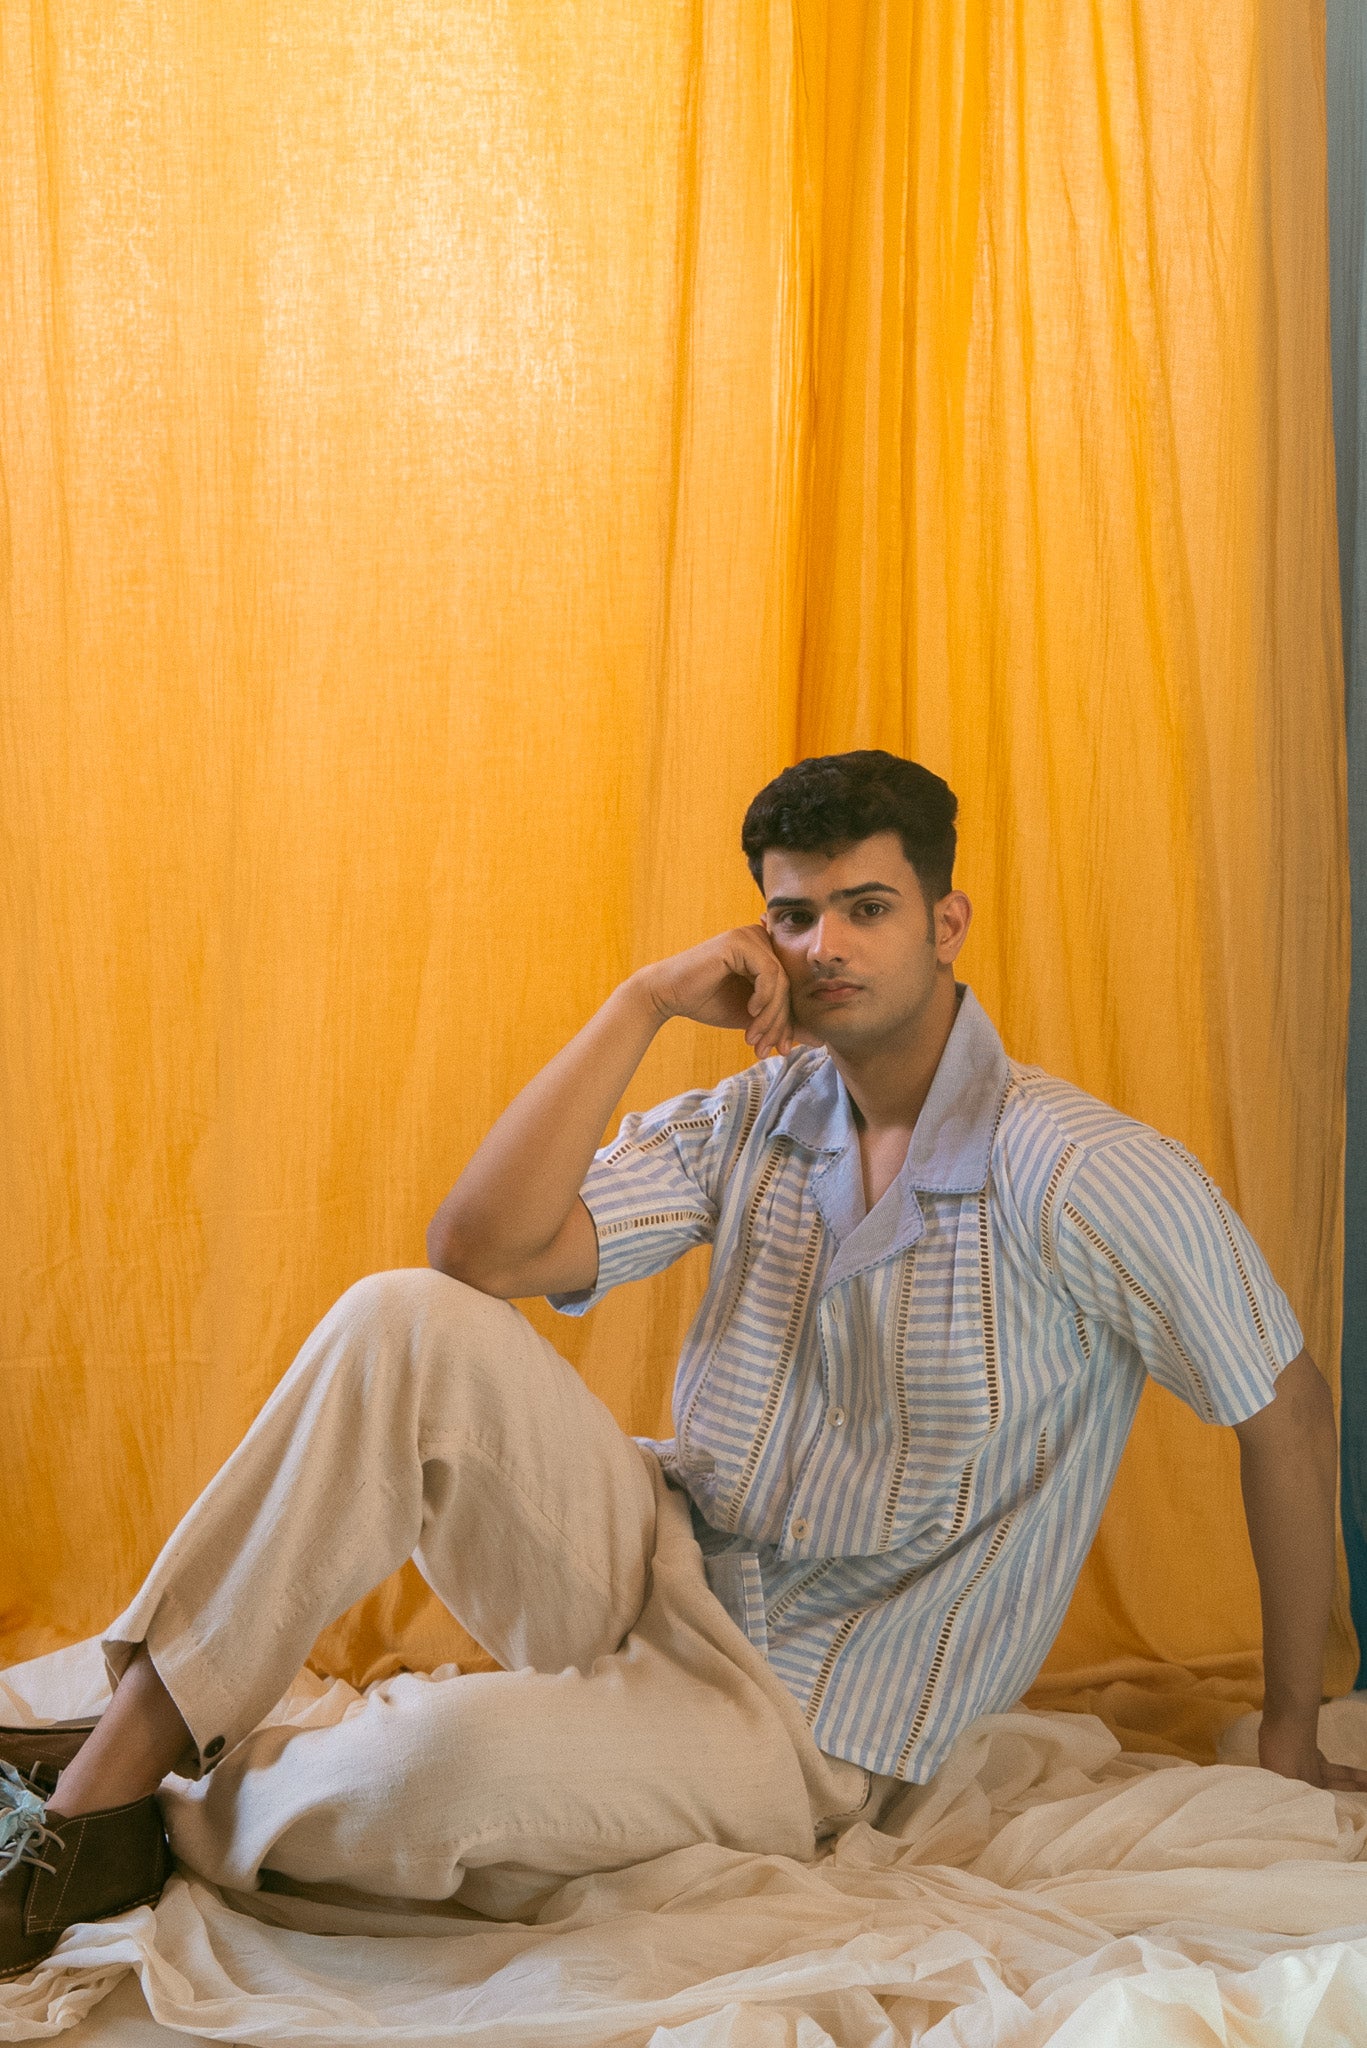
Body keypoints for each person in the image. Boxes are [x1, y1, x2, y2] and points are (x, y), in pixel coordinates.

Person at [3, 748, 1364, 1979]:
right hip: (646, 1558)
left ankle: (164, 1762)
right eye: (794, 915)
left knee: (413, 1784)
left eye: (868, 908)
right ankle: (105, 1793)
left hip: (804, 1720)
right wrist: (643, 1001)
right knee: (400, 1314)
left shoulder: (1081, 1171)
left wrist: (1291, 1733)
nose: (826, 947)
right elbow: (479, 1252)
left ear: (947, 923)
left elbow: (1289, 1415)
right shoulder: (760, 1113)